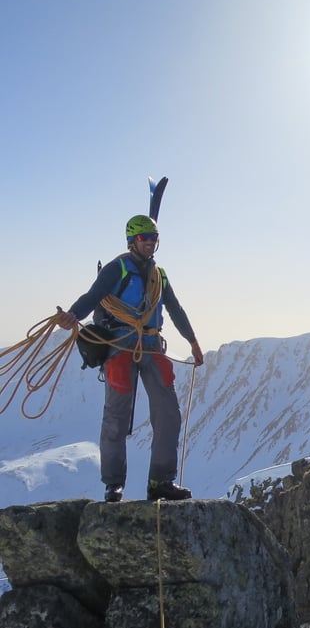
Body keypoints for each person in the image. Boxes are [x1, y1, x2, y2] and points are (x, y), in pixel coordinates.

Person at [56, 214, 204, 503]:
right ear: (132, 241)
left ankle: (160, 481)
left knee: (169, 415)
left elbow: (175, 308)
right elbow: (94, 295)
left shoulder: (158, 276)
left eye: (153, 238)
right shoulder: (117, 269)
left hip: (150, 344)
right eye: (143, 238)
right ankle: (114, 483)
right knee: (116, 417)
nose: (149, 243)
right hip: (121, 345)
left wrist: (193, 341)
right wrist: (73, 315)